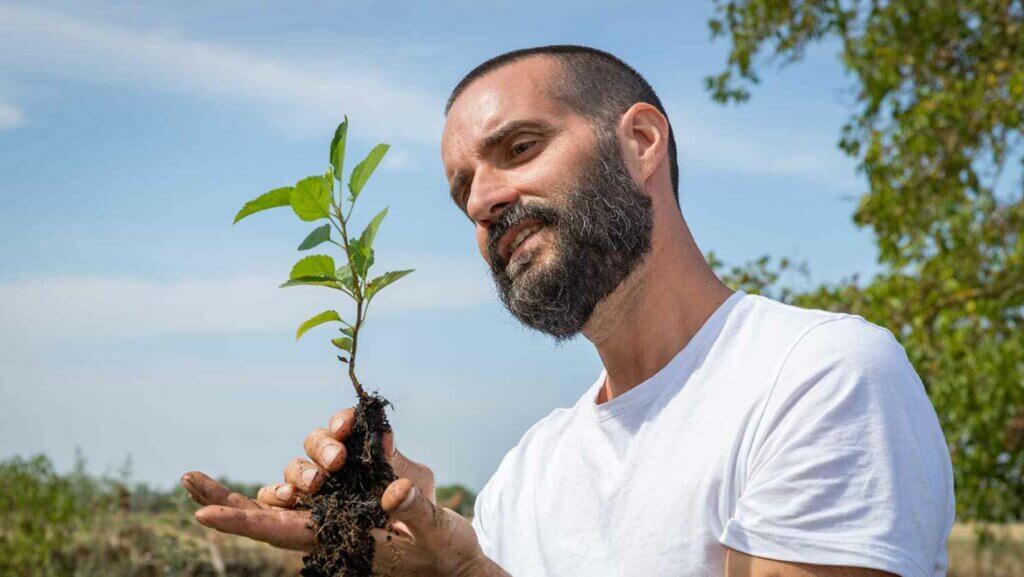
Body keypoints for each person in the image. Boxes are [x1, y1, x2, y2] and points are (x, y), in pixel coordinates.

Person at [182, 45, 955, 577]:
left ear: (641, 141)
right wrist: (433, 550)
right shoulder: (528, 474)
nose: (482, 200)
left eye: (519, 148)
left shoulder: (815, 376)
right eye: (462, 191)